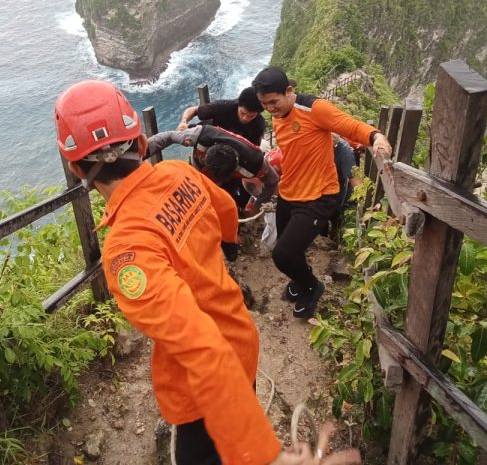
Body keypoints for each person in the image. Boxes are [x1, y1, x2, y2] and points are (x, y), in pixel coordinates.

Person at [54, 79, 348, 465]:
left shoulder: (127, 251)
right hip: (241, 337)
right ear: (140, 143)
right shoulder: (180, 174)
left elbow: (202, 347)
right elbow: (224, 206)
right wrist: (223, 247)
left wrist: (267, 455)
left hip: (201, 390)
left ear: (76, 168)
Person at [252, 67, 392, 319]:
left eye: (273, 102)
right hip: (290, 193)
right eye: (264, 104)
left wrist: (376, 137)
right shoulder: (278, 114)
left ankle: (312, 287)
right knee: (287, 248)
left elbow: (349, 125)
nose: (270, 108)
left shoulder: (314, 109)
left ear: (289, 91)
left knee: (283, 255)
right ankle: (300, 278)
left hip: (318, 197)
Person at [147, 124, 279, 214]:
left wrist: (255, 210)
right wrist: (141, 152)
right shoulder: (201, 135)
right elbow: (169, 136)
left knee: (229, 202)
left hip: (229, 181)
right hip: (197, 171)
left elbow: (273, 181)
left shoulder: (255, 162)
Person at [177, 86, 266, 145]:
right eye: (242, 113)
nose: (245, 118)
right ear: (238, 104)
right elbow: (193, 110)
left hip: (236, 151)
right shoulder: (223, 106)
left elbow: (253, 149)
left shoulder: (259, 124)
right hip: (210, 139)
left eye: (251, 116)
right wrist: (183, 121)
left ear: (258, 113)